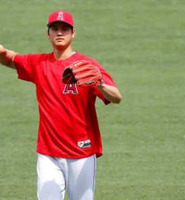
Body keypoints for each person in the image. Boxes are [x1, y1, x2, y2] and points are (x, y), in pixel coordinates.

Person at [0, 10, 122, 200]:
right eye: (54, 28)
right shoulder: (39, 63)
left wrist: (99, 84)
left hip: (81, 152)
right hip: (48, 154)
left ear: (73, 33)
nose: (59, 33)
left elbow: (116, 97)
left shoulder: (87, 66)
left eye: (65, 29)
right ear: (47, 33)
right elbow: (8, 57)